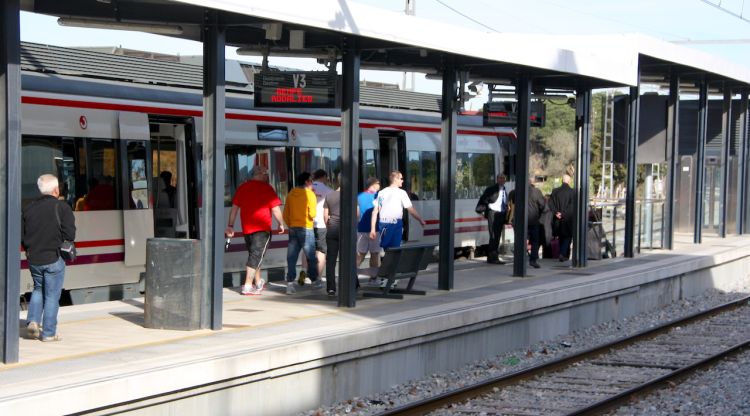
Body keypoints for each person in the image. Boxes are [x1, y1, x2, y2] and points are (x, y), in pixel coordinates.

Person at [22, 174, 76, 342]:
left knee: (38, 288)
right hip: (54, 258)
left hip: (34, 259)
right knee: (52, 295)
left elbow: (22, 236)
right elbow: (70, 234)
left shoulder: (29, 208)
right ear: (56, 189)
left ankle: (33, 321)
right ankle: (49, 333)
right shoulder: (62, 207)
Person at [225, 165, 285, 296]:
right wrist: (281, 223)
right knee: (255, 256)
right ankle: (247, 285)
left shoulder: (242, 187)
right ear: (261, 174)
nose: (267, 176)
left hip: (247, 229)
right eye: (266, 173)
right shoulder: (267, 188)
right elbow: (275, 209)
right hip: (262, 229)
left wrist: (230, 225)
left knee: (254, 255)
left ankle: (258, 282)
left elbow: (234, 209)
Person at [283, 172, 321, 294]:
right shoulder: (310, 194)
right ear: (306, 182)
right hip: (306, 228)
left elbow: (285, 214)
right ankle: (315, 281)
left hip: (293, 228)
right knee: (311, 256)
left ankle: (290, 284)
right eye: (311, 180)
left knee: (292, 257)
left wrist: (292, 223)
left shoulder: (291, 194)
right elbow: (313, 214)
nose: (312, 183)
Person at [369, 170, 426, 249]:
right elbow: (411, 210)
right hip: (395, 224)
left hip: (385, 224)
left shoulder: (382, 192)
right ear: (395, 179)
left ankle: (386, 260)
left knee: (387, 250)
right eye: (401, 178)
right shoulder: (401, 193)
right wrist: (420, 220)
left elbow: (375, 212)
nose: (402, 180)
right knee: (394, 250)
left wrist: (372, 229)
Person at [302, 169, 332, 286]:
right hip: (321, 224)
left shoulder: (305, 189)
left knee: (306, 250)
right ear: (324, 176)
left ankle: (304, 277)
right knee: (321, 250)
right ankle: (317, 279)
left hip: (307, 223)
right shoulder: (328, 190)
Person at [509, 178, 548, 269]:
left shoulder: (516, 192)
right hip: (533, 220)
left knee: (520, 240)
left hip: (520, 220)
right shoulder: (536, 192)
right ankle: (533, 260)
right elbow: (543, 206)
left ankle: (518, 259)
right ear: (531, 183)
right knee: (535, 241)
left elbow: (513, 202)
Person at [478, 174, 508, 264]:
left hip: (501, 214)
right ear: (497, 179)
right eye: (500, 178)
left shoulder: (504, 189)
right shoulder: (491, 189)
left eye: (504, 178)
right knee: (494, 235)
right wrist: (486, 209)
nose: (502, 180)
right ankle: (493, 257)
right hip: (493, 213)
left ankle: (493, 256)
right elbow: (484, 199)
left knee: (497, 235)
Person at [357, 177, 381, 279]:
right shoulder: (377, 196)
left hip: (361, 229)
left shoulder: (358, 196)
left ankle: (352, 275)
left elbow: (356, 214)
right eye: (379, 183)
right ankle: (373, 278)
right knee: (375, 254)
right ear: (374, 184)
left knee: (360, 254)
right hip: (375, 229)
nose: (380, 186)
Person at [549, 174, 576, 262]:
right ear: (569, 181)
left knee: (560, 237)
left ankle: (564, 255)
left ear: (562, 180)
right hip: (567, 219)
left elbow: (550, 204)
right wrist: (563, 214)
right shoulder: (572, 192)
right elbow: (572, 207)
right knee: (568, 237)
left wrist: (556, 213)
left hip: (557, 219)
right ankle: (563, 254)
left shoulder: (555, 191)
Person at [323, 175, 341, 296]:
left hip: (332, 230)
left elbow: (325, 215)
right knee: (348, 258)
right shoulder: (351, 196)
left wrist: (328, 225)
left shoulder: (329, 195)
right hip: (345, 231)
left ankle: (331, 288)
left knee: (331, 261)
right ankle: (352, 283)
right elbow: (356, 214)